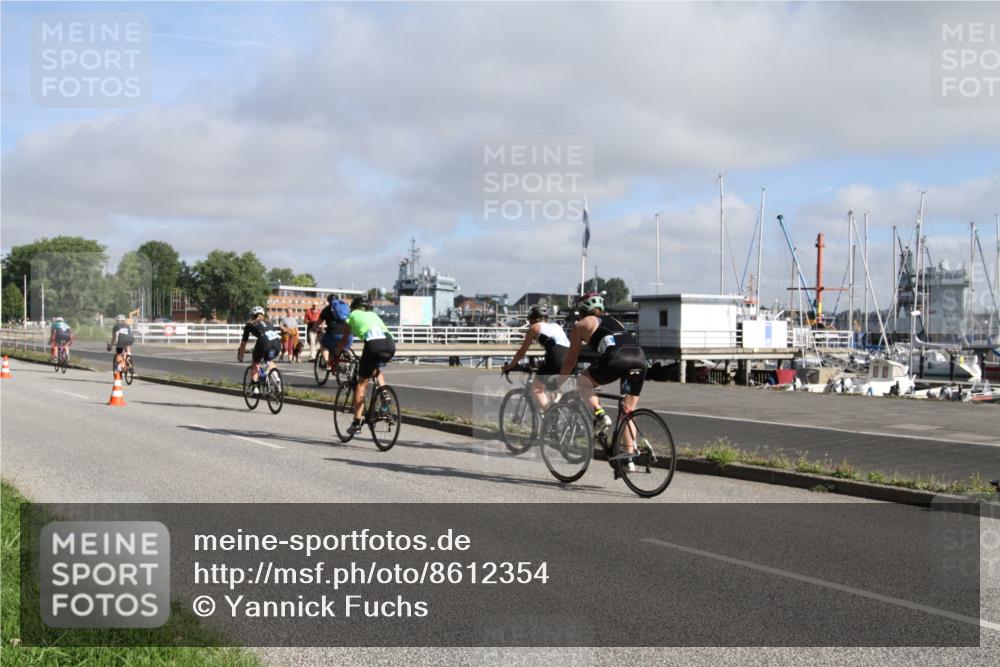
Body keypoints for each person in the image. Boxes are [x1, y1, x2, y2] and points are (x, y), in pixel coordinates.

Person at [558, 292, 647, 464]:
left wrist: (559, 382)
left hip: (617, 358)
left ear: (582, 310)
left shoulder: (581, 324)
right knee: (627, 411)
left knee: (583, 382)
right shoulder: (615, 321)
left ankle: (600, 415)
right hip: (639, 357)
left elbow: (570, 360)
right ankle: (628, 458)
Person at [333, 297, 395, 435]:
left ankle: (356, 422)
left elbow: (344, 340)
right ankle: (385, 395)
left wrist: (337, 353)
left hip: (373, 345)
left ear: (354, 308)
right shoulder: (374, 314)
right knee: (375, 370)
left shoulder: (352, 315)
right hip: (390, 344)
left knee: (361, 383)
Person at [502, 305, 569, 412]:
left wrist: (510, 366)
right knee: (553, 387)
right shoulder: (556, 326)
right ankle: (557, 413)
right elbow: (557, 345)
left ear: (532, 319)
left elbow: (521, 352)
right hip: (570, 357)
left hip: (556, 357)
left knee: (537, 387)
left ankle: (550, 417)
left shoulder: (534, 328)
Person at [237, 306, 282, 392]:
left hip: (264, 342)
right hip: (277, 343)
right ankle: (277, 379)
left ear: (252, 315)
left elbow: (243, 343)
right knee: (268, 361)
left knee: (255, 362)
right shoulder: (269, 323)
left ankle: (255, 387)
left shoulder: (250, 324)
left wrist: (241, 355)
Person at [318, 295, 353, 368]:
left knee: (323, 345)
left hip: (334, 334)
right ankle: (349, 362)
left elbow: (318, 322)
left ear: (328, 301)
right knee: (344, 346)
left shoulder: (327, 309)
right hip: (348, 334)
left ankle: (328, 364)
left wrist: (313, 328)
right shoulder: (345, 308)